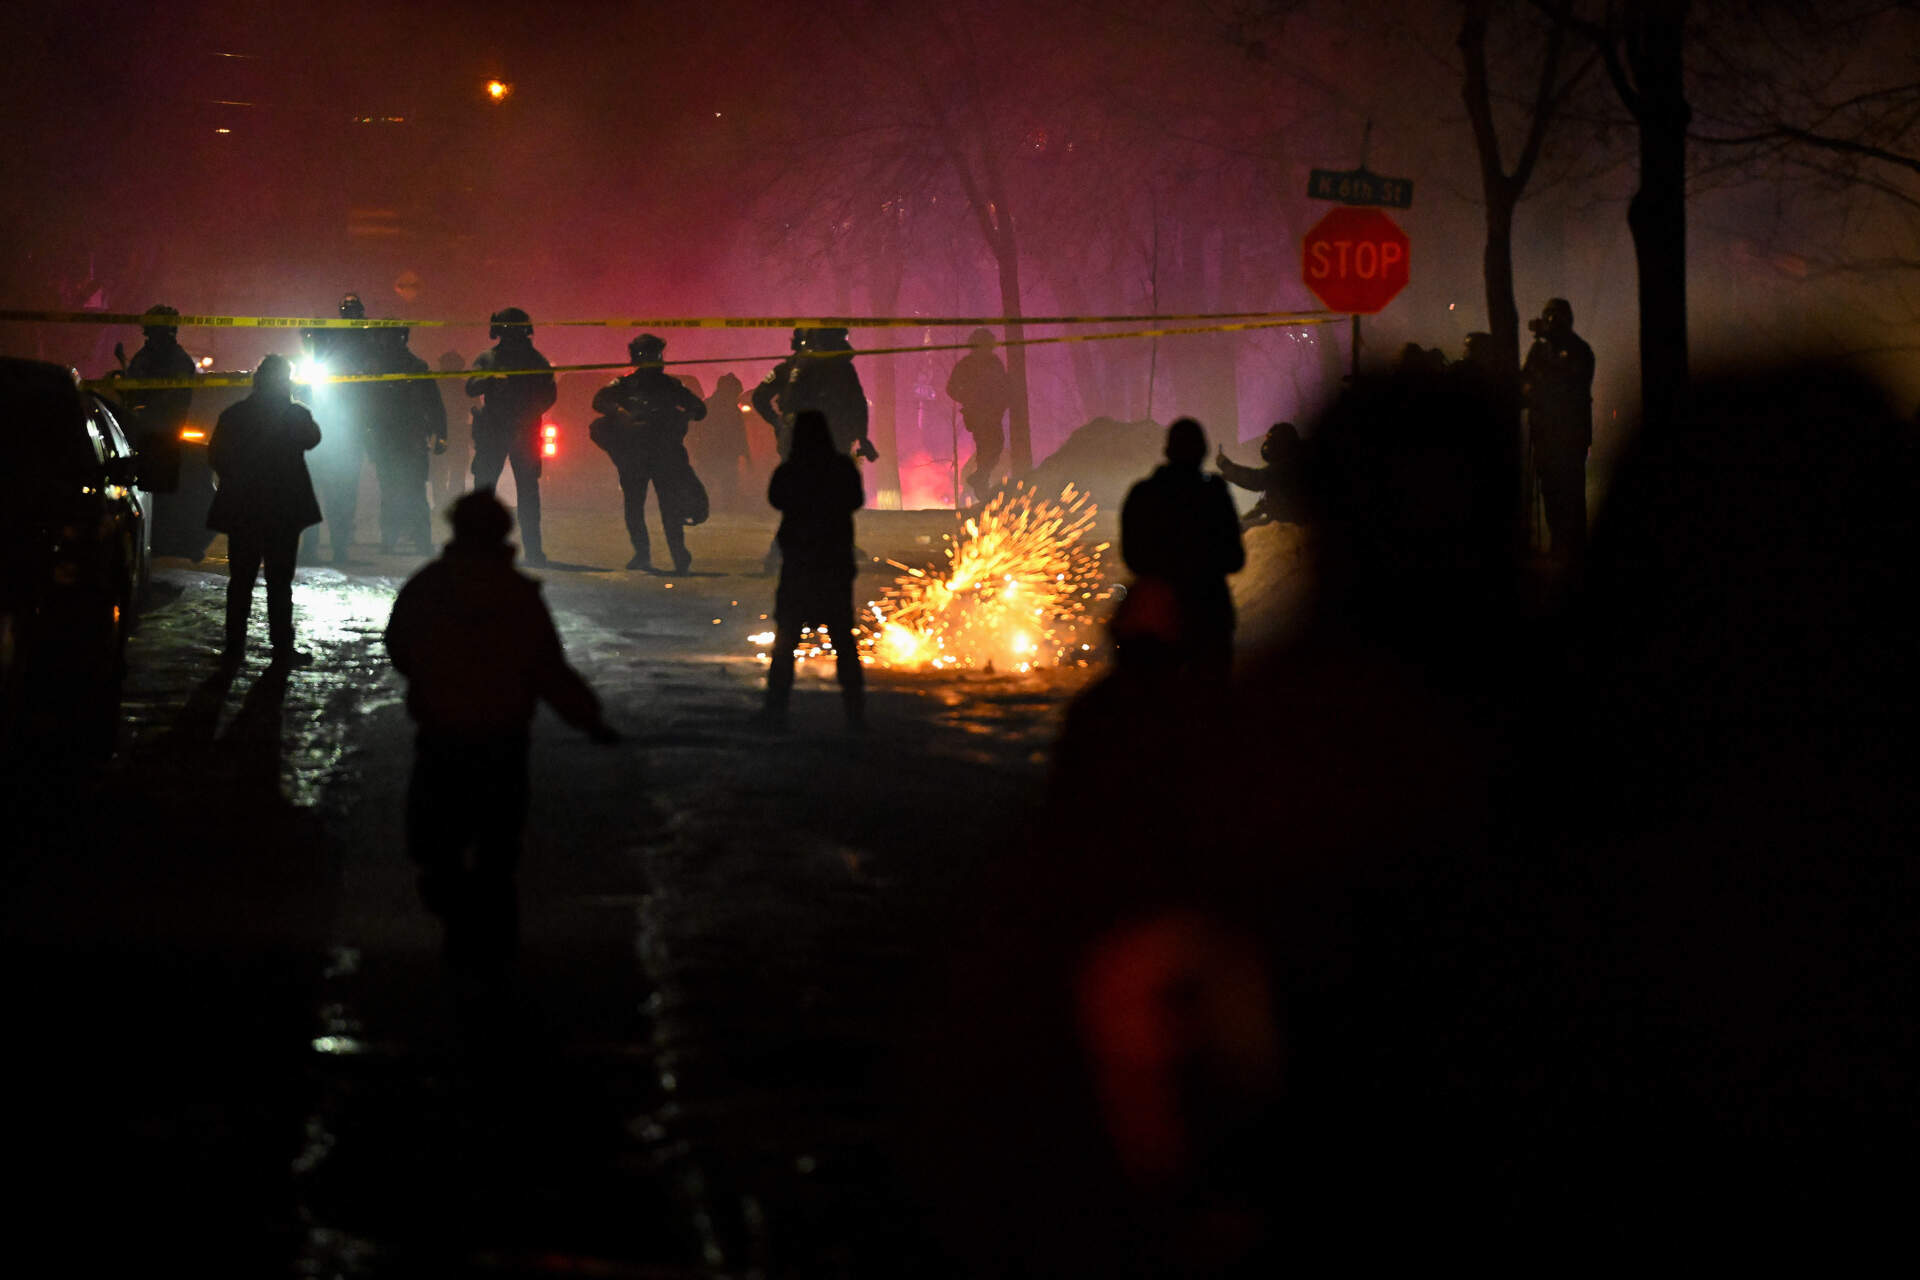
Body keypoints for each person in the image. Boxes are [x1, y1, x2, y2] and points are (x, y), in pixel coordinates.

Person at [384, 491, 619, 973]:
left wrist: (432, 682)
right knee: (496, 842)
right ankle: (491, 953)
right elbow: (548, 668)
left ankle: (453, 918)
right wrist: (589, 720)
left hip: (442, 729)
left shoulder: (428, 586)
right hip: (502, 735)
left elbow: (400, 646)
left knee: (439, 835)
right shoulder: (516, 593)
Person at [205, 353, 323, 667]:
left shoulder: (235, 414)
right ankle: (282, 647)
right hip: (283, 509)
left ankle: (234, 648)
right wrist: (302, 406)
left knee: (240, 581)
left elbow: (215, 456)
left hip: (244, 508)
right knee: (279, 582)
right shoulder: (294, 414)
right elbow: (313, 439)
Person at [760, 411, 866, 730]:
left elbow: (776, 499)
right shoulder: (842, 467)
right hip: (834, 564)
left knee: (786, 642)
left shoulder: (791, 469)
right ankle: (855, 713)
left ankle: (776, 711)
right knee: (843, 642)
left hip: (799, 566)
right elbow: (855, 500)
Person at [1119, 418, 1246, 677]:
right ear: (1203, 452)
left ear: (1168, 451)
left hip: (1159, 617)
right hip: (1210, 614)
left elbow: (1133, 558)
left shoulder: (1144, 494)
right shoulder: (1214, 495)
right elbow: (1234, 557)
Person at [589, 332, 708, 573]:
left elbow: (700, 409)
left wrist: (681, 416)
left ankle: (678, 556)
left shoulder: (672, 386)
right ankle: (642, 554)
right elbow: (599, 401)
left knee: (669, 508)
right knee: (635, 506)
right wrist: (622, 414)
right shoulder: (624, 384)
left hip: (665, 454)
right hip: (635, 454)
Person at [467, 306, 558, 566]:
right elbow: (470, 386)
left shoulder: (535, 361)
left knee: (527, 492)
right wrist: (489, 379)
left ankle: (532, 551)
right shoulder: (489, 359)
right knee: (487, 491)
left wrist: (527, 415)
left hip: (522, 430)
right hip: (496, 430)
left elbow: (548, 395)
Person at [300, 292, 380, 565]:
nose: (350, 315)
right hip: (326, 428)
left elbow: (375, 391)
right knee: (317, 492)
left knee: (342, 493)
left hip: (350, 429)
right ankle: (314, 548)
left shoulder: (370, 339)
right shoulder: (330, 338)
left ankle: (338, 548)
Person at [1520, 297, 1595, 564]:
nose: (1552, 321)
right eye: (1548, 316)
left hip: (1570, 439)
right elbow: (1524, 383)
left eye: (1556, 316)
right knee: (1551, 496)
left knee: (1571, 498)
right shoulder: (1539, 351)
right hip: (1545, 437)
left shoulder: (1580, 351)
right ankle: (1558, 548)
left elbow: (1571, 381)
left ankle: (1575, 553)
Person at [368, 324, 446, 555]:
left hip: (407, 438)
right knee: (397, 490)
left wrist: (441, 433)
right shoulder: (377, 368)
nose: (388, 342)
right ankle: (399, 539)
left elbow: (433, 403)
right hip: (393, 438)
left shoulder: (415, 367)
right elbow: (367, 406)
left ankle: (412, 539)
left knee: (407, 490)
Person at [946, 327, 1011, 502]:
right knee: (985, 446)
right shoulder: (966, 365)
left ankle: (981, 477)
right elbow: (951, 389)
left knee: (996, 445)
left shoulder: (995, 363)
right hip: (978, 414)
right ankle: (980, 481)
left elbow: (1004, 385)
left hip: (993, 413)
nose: (986, 350)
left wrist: (1003, 402)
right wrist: (969, 399)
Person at [1215, 421, 1307, 530]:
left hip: (1289, 525)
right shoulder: (1296, 458)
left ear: (1279, 444)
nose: (1266, 446)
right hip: (1284, 521)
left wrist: (1226, 466)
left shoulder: (1289, 465)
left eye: (1270, 441)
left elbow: (1256, 480)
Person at [696, 372, 750, 515]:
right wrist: (745, 454)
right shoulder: (729, 410)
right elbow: (740, 434)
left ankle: (711, 509)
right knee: (723, 483)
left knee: (717, 482)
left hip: (715, 453)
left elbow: (739, 434)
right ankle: (723, 510)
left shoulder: (708, 406)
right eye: (736, 393)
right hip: (717, 452)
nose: (737, 396)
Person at [428, 350, 467, 511]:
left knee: (450, 472)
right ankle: (445, 504)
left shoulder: (436, 385)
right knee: (443, 472)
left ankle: (445, 504)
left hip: (451, 433)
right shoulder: (437, 386)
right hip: (448, 433)